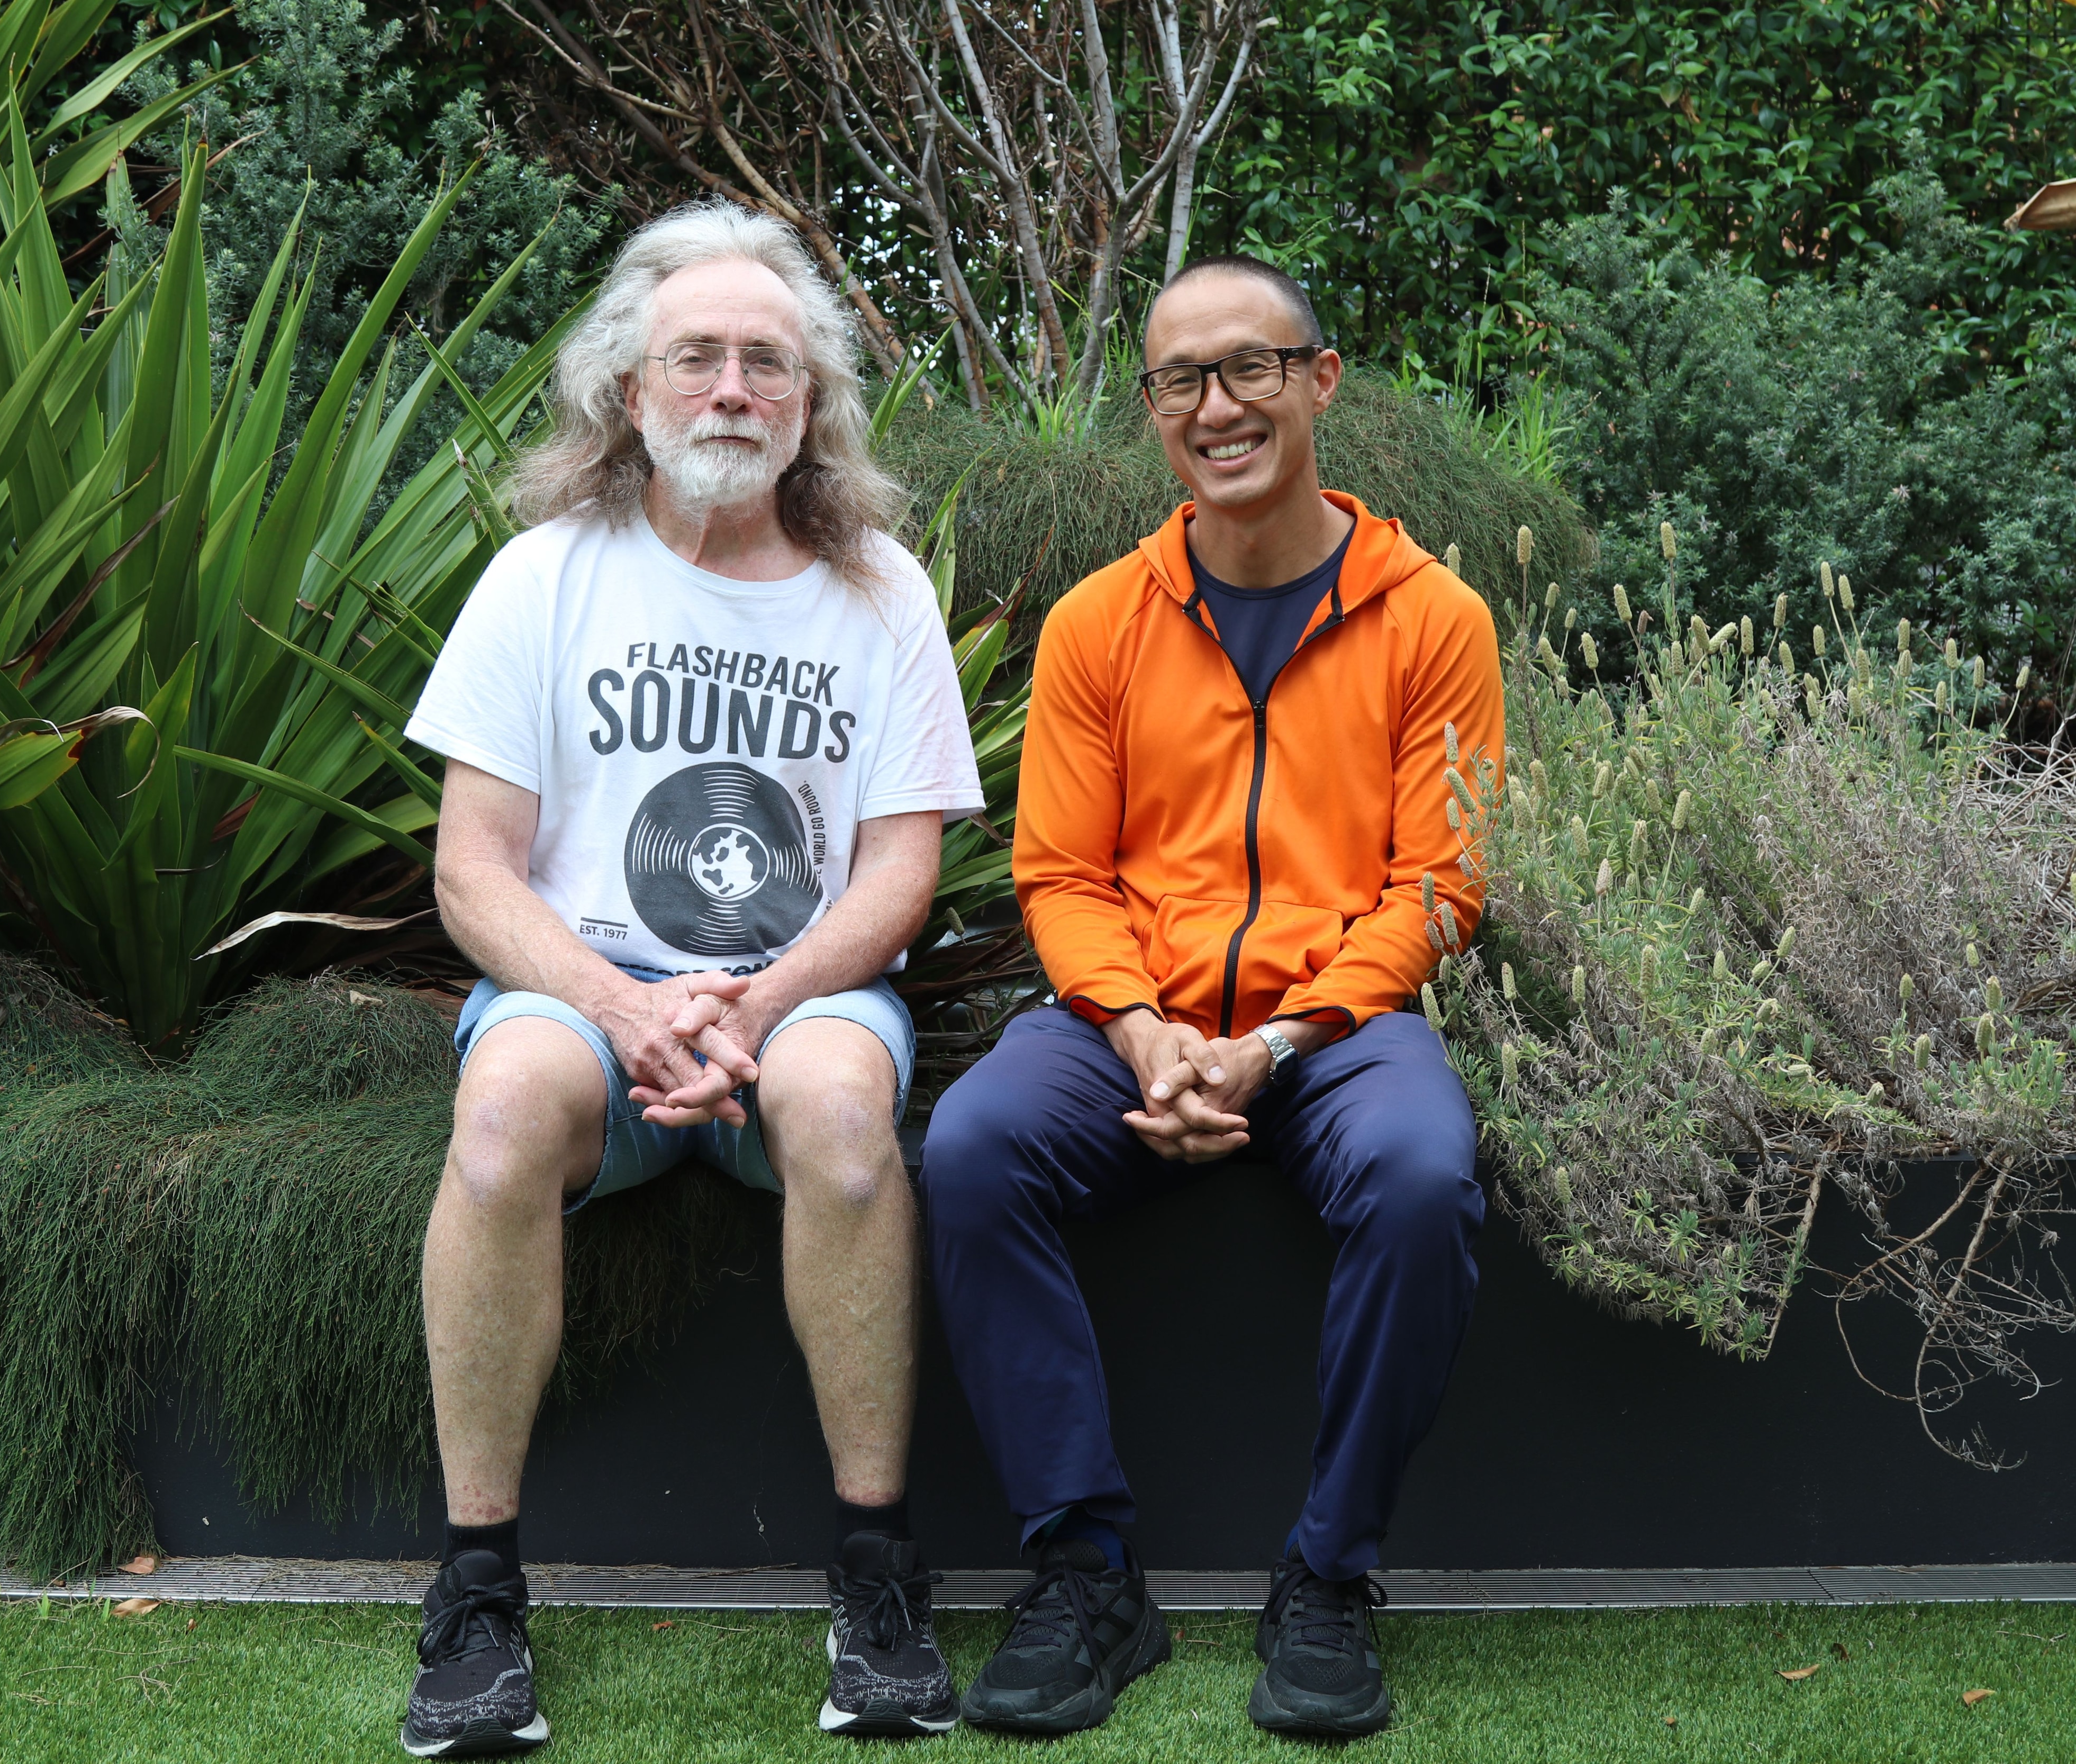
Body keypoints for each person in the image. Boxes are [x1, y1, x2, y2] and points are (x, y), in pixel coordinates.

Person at [397, 200, 983, 1756]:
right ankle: (476, 1594)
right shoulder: (544, 576)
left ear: (812, 408)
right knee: (507, 1108)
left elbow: (901, 873)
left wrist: (763, 997)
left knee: (847, 1115)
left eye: (768, 366)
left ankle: (876, 1578)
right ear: (629, 389)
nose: (733, 388)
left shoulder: (880, 596)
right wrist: (628, 1006)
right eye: (699, 358)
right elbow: (473, 869)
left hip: (796, 992)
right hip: (587, 995)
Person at [920, 256, 1504, 1740]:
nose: (1217, 405)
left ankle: (1328, 1575)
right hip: (1134, 1017)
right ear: (1155, 415)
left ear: (1319, 380)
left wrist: (1280, 1038)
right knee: (975, 1147)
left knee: (1427, 1175)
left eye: (1248, 367)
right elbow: (1058, 873)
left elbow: (1440, 884)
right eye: (1181, 380)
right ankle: (1087, 1571)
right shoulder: (1100, 624)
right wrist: (1141, 1031)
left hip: (1341, 1027)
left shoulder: (1434, 619)